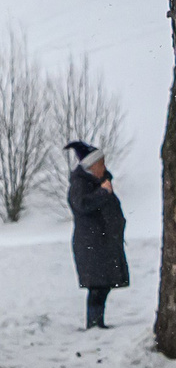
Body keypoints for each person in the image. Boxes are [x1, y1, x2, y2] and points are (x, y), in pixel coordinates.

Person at [65, 141, 127, 329]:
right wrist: (103, 192)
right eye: (101, 164)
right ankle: (94, 324)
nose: (104, 167)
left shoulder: (97, 182)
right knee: (98, 285)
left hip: (102, 242)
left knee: (103, 284)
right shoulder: (80, 184)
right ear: (91, 166)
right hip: (91, 243)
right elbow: (81, 205)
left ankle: (97, 322)